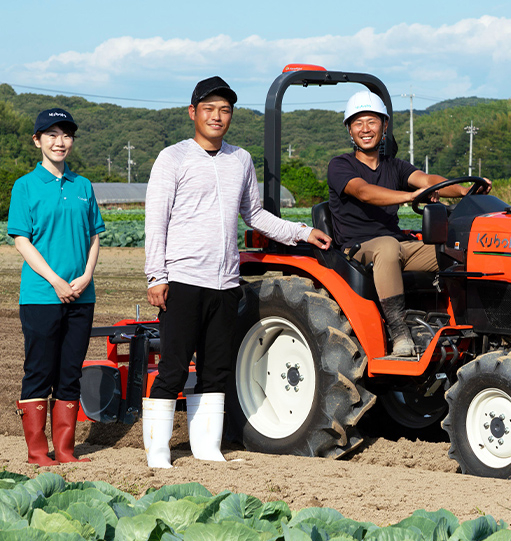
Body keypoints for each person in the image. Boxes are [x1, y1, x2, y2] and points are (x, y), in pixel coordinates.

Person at [143, 76, 331, 468]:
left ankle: (207, 448)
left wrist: (301, 232)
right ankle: (158, 450)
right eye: (209, 109)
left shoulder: (239, 159)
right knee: (174, 367)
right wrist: (155, 276)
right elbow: (155, 221)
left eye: (224, 110)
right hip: (182, 280)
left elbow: (256, 214)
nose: (217, 116)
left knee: (216, 369)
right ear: (193, 113)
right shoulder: (172, 158)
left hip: (225, 282)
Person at [327, 91, 490, 357]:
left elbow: (427, 181)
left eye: (372, 121)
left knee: (457, 250)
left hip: (399, 244)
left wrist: (464, 190)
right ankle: (399, 332)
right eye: (358, 123)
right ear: (349, 129)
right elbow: (364, 191)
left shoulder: (395, 166)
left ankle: (467, 324)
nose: (365, 129)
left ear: (385, 125)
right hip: (358, 248)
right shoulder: (340, 165)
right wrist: (409, 196)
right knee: (388, 248)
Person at [7, 108, 105, 466]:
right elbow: (22, 240)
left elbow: (95, 237)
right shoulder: (25, 186)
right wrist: (56, 280)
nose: (59, 141)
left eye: (66, 135)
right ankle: (37, 452)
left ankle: (65, 450)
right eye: (51, 135)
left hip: (81, 295)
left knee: (70, 371)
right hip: (41, 296)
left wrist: (85, 276)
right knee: (39, 370)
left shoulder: (83, 186)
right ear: (37, 141)